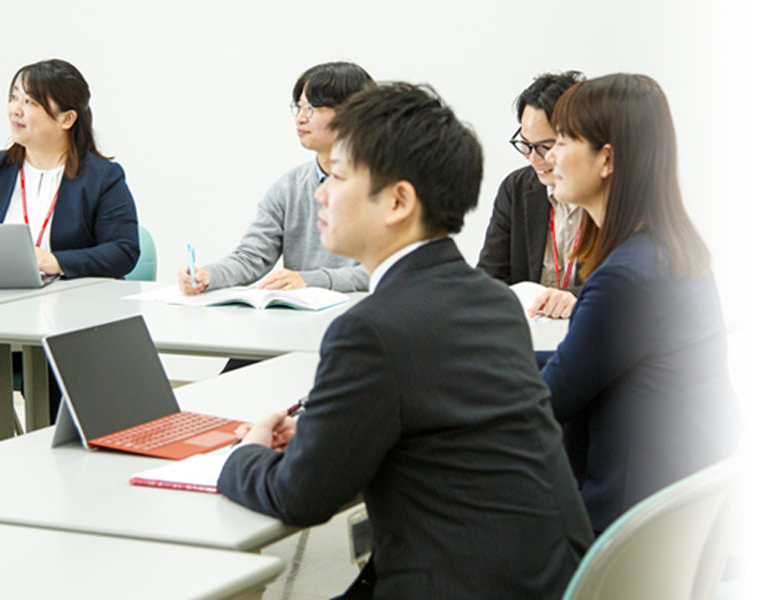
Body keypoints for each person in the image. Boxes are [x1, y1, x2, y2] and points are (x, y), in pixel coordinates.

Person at [217, 83, 593, 599]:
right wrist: (323, 434)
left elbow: (300, 497)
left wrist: (247, 451)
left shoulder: (369, 329)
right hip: (544, 577)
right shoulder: (492, 300)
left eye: (340, 176)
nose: (321, 193)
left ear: (398, 201)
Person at [538, 73, 747, 537]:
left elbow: (549, 400)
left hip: (643, 526)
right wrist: (496, 360)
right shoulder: (669, 249)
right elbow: (586, 362)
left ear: (606, 159)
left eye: (564, 140)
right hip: (695, 506)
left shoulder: (626, 278)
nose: (549, 157)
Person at [0, 59, 140, 449]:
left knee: (63, 401)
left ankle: (50, 469)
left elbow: (123, 251)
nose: (16, 109)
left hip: (70, 325)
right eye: (13, 97)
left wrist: (57, 261)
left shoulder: (102, 177)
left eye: (31, 101)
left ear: (67, 118)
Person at [177, 61, 373, 296]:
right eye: (299, 107)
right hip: (301, 318)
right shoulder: (289, 187)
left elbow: (386, 267)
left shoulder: (384, 185)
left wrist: (311, 280)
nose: (301, 118)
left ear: (351, 113)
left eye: (311, 108)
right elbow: (252, 256)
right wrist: (208, 276)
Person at [477, 71, 586, 319]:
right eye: (525, 144)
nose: (534, 159)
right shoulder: (517, 188)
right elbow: (489, 278)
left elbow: (628, 286)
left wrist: (577, 299)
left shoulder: (610, 194)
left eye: (546, 146)